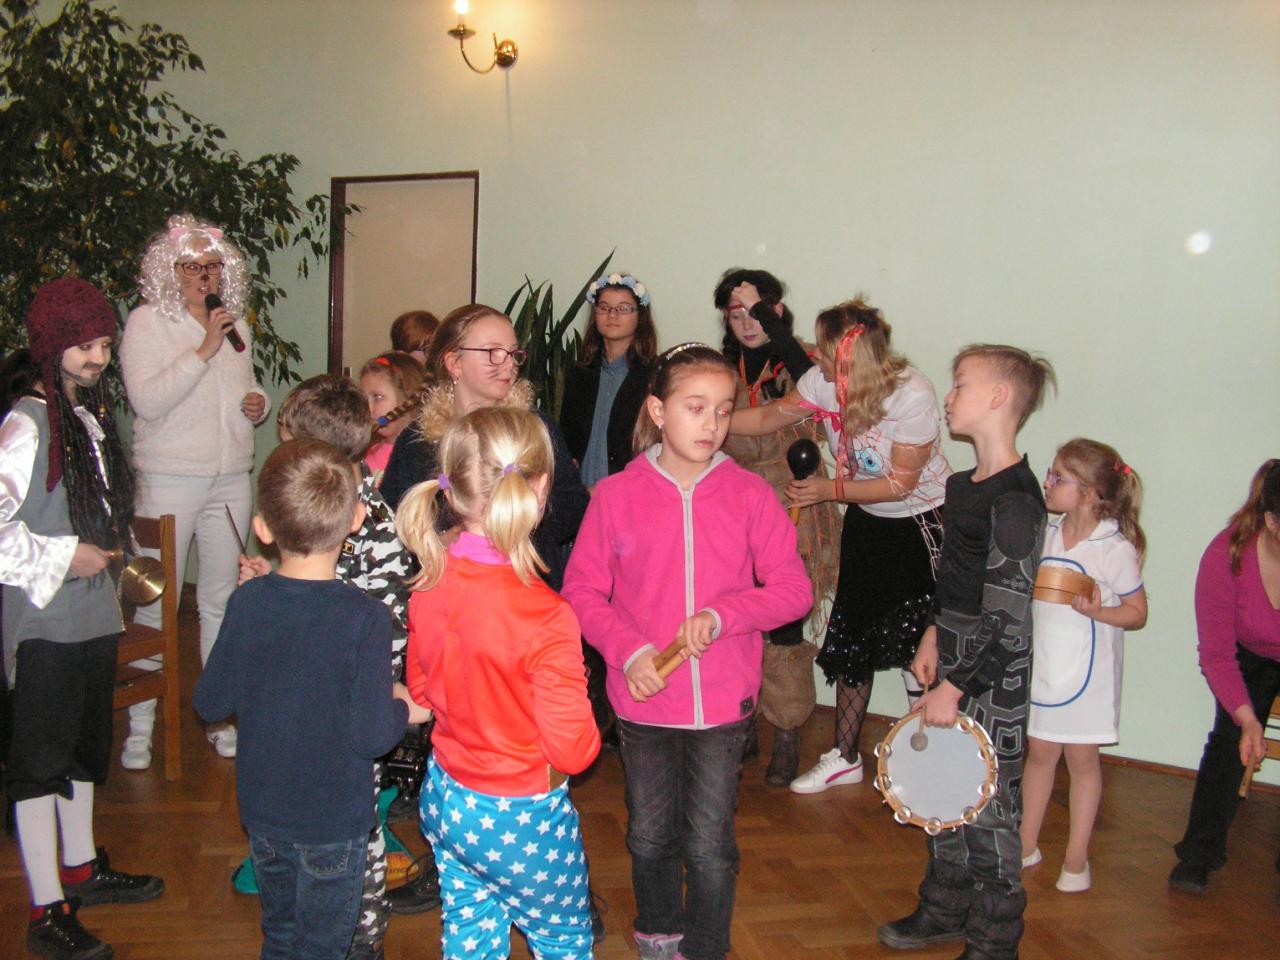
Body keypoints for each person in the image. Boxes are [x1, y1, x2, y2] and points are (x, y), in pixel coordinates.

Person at [563, 344, 812, 960]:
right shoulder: (615, 495)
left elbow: (793, 591)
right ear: (658, 410)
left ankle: (706, 947)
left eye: (724, 410)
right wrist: (629, 652)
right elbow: (582, 593)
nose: (712, 424)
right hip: (645, 699)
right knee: (649, 835)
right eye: (695, 407)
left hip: (722, 706)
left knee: (708, 843)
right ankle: (658, 932)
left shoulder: (750, 494)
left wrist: (724, 615)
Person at [238, 374, 438, 955]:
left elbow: (359, 624)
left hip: (352, 705)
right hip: (326, 699)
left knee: (355, 827)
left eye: (285, 441)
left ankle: (358, 936)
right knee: (322, 827)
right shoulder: (342, 506)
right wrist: (272, 583)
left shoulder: (368, 521)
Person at [195, 438, 415, 960]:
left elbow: (209, 702)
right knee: (323, 946)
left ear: (263, 528)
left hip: (264, 814)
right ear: (356, 519)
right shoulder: (366, 617)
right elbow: (372, 736)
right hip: (333, 822)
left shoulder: (248, 602)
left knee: (281, 937)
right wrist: (405, 706)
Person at [396, 406, 601, 959]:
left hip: (448, 800)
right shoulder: (546, 616)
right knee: (564, 942)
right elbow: (574, 752)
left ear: (453, 485)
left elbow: (422, 694)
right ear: (540, 488)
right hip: (521, 817)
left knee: (471, 936)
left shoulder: (428, 582)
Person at [2, 279, 164, 960]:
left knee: (81, 751)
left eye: (103, 343)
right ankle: (46, 908)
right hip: (45, 622)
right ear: (51, 346)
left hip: (92, 616)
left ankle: (79, 868)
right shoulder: (26, 424)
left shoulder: (83, 418)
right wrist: (64, 554)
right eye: (84, 346)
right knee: (40, 765)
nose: (97, 358)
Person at [729, 297, 949, 793]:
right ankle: (845, 757)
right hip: (867, 520)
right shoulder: (822, 383)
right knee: (853, 637)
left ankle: (930, 755)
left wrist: (829, 489)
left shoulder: (910, 393)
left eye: (826, 349)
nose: (817, 357)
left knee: (920, 642)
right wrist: (714, 420)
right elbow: (768, 418)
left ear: (852, 353)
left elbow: (901, 485)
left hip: (920, 524)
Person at [877, 344, 1053, 960]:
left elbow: (1007, 617)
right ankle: (945, 907)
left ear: (999, 397)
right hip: (952, 650)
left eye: (960, 385)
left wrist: (956, 687)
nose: (949, 397)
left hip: (993, 671)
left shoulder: (1017, 500)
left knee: (989, 804)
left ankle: (996, 938)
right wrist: (931, 635)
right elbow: (951, 579)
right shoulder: (960, 485)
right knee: (942, 786)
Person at [118, 212, 272, 768]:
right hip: (169, 478)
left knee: (221, 602)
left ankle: (219, 715)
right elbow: (147, 400)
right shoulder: (146, 323)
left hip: (229, 476)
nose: (205, 277)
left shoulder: (234, 324)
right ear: (169, 270)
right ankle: (141, 726)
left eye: (212, 266)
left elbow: (245, 386)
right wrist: (204, 348)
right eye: (191, 267)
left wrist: (258, 403)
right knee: (154, 602)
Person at [714, 269, 841, 786]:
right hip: (732, 507)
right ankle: (742, 722)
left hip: (795, 506)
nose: (747, 324)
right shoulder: (717, 371)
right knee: (734, 619)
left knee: (785, 627)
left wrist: (775, 326)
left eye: (757, 312)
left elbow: (823, 390)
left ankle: (787, 731)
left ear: (776, 312)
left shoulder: (802, 362)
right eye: (736, 314)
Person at [379, 304, 589, 591]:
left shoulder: (535, 428)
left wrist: (515, 523)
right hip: (445, 586)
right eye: (493, 352)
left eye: (513, 353)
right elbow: (393, 517)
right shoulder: (419, 438)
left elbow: (574, 504)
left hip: (522, 584)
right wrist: (439, 539)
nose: (509, 364)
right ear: (455, 363)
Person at [1019, 439, 1148, 893]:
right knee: (1039, 753)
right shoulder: (1049, 533)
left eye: (1058, 477)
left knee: (1082, 760)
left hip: (1089, 674)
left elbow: (1137, 613)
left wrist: (1098, 612)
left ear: (1090, 493)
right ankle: (1025, 845)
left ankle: (1076, 860)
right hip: (1048, 666)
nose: (1047, 483)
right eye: (1050, 473)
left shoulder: (1113, 549)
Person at [1169, 459, 1280, 894]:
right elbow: (1216, 654)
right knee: (1229, 740)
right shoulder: (1226, 555)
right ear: (1271, 522)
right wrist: (1247, 719)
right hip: (1248, 654)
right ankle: (1198, 854)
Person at [560, 271, 657, 490]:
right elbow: (567, 433)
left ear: (640, 316)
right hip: (581, 490)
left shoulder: (652, 375)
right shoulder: (580, 373)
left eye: (623, 308)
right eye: (604, 307)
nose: (612, 315)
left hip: (628, 489)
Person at [359, 352, 426, 488]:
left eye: (377, 397)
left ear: (407, 398)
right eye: (363, 399)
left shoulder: (425, 454)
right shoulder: (363, 454)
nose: (368, 408)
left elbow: (444, 484)